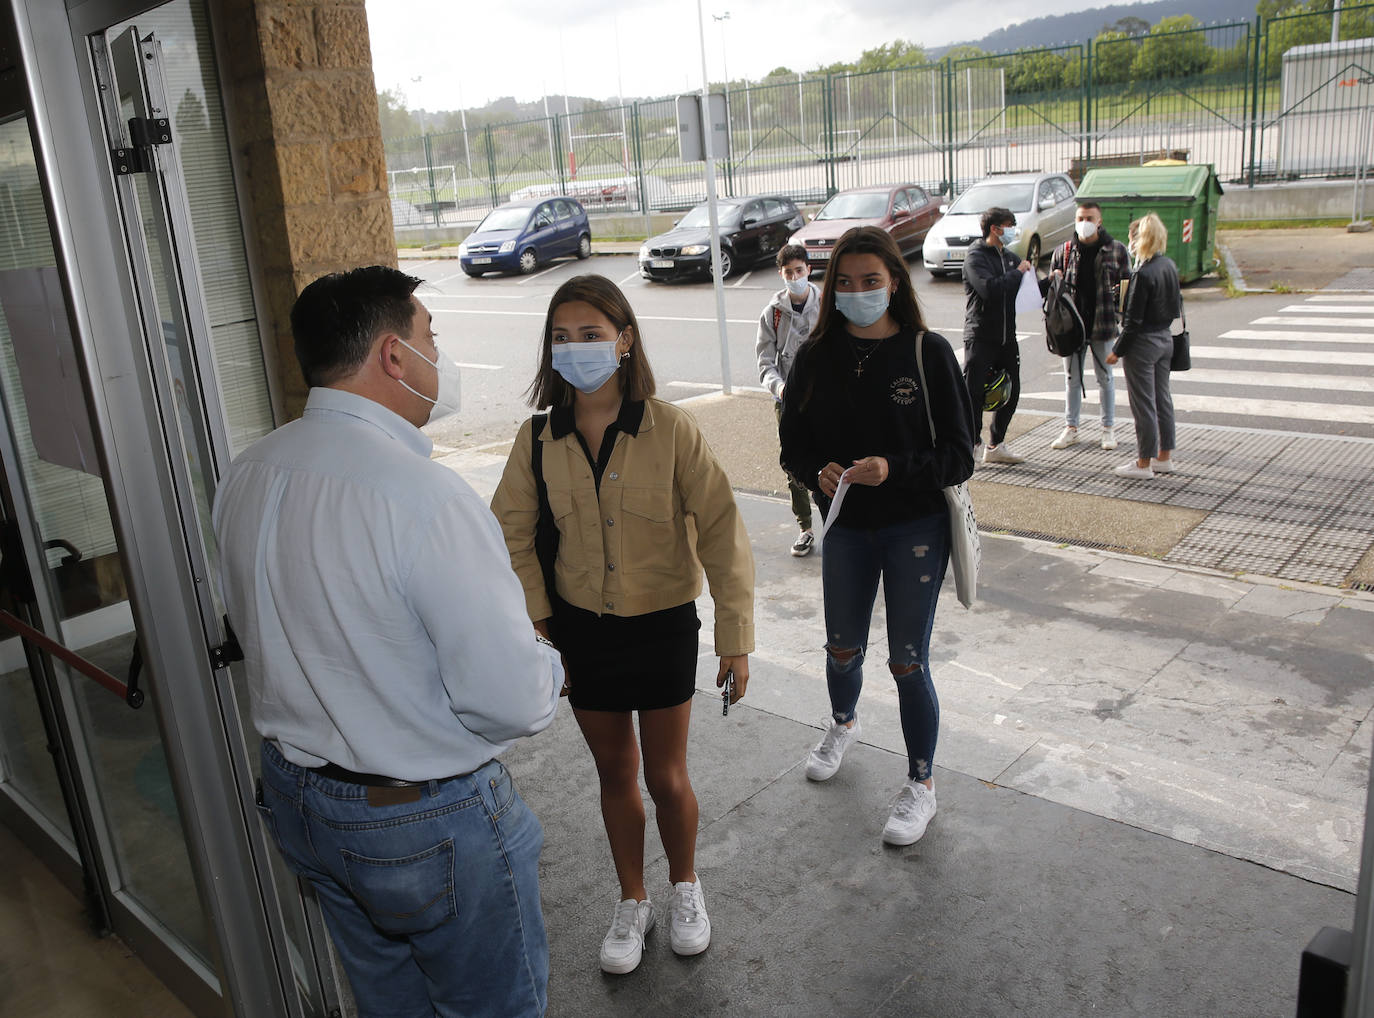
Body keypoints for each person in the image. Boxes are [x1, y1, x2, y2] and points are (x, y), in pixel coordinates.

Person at [213, 266, 563, 1018]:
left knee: (388, 1002)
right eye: (430, 333)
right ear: (394, 356)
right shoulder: (425, 499)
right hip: (419, 822)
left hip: (297, 799)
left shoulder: (249, 471)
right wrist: (549, 662)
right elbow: (509, 699)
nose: (441, 351)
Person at [491, 274, 754, 976]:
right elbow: (509, 534)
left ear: (625, 340)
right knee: (616, 773)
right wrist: (540, 625)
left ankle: (685, 887)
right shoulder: (538, 439)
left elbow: (724, 531)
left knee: (668, 777)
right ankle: (632, 898)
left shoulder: (670, 429)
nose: (575, 349)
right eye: (562, 337)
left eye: (591, 335)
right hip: (583, 633)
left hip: (663, 625)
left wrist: (735, 637)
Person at [779, 226, 975, 846]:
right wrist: (818, 472)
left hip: (915, 527)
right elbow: (793, 445)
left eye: (872, 281)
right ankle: (842, 722)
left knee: (906, 659)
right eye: (846, 282)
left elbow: (960, 456)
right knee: (842, 648)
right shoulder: (814, 357)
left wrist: (894, 468)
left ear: (894, 282)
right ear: (830, 286)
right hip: (846, 526)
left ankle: (922, 784)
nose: (859, 292)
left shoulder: (928, 352)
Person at [1047, 201, 1130, 452]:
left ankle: (1108, 428)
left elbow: (1126, 289)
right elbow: (1051, 293)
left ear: (1099, 220)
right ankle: (1071, 427)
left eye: (1089, 218)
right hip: (1071, 327)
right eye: (1080, 218)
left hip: (1102, 325)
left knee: (1105, 378)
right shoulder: (1064, 250)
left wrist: (1120, 318)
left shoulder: (1116, 250)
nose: (1084, 223)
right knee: (1072, 378)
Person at [756, 243, 821, 556]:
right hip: (788, 401)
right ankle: (805, 526)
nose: (795, 277)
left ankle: (839, 522)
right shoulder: (773, 313)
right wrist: (779, 388)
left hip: (825, 399)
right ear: (780, 274)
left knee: (832, 456)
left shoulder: (828, 304)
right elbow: (764, 360)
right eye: (788, 272)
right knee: (793, 463)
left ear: (808, 269)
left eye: (799, 270)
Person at [1107, 212, 1182, 479]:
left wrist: (1117, 350)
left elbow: (1132, 321)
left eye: (1132, 239)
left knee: (1143, 404)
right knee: (1163, 400)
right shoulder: (1169, 266)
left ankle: (1143, 463)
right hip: (1165, 339)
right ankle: (1164, 457)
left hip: (1143, 344)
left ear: (1140, 239)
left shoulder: (1143, 273)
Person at [962, 206, 1033, 464]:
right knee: (974, 394)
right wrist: (1018, 273)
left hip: (1006, 338)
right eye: (1010, 225)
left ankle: (996, 444)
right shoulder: (975, 258)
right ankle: (972, 443)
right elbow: (989, 289)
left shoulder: (1010, 257)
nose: (1013, 230)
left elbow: (1022, 290)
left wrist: (1049, 282)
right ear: (995, 228)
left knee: (1011, 391)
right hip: (980, 336)